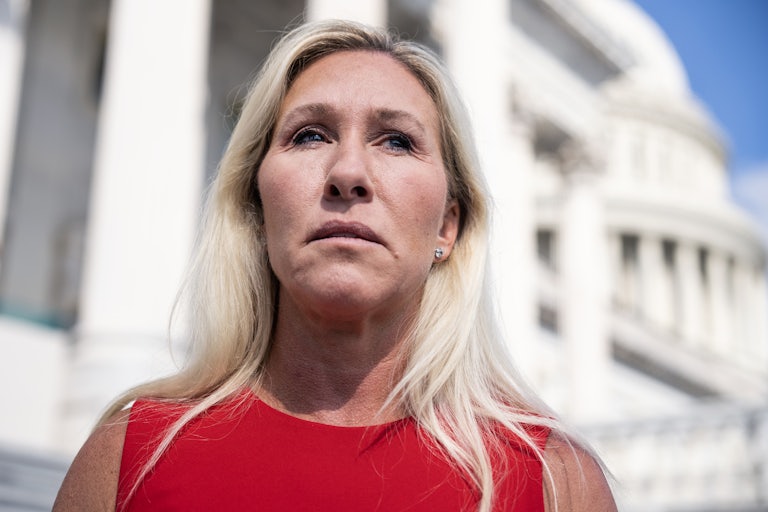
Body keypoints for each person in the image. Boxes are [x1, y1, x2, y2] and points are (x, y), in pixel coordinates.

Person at [53, 19, 616, 512]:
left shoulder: (554, 482)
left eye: (396, 141)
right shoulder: (131, 455)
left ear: (448, 226)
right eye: (310, 135)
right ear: (256, 207)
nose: (349, 173)